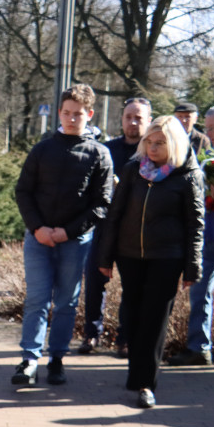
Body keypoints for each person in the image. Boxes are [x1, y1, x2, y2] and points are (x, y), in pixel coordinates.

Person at [97, 116, 205, 408]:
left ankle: (146, 383)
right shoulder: (133, 170)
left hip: (167, 258)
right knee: (132, 318)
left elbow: (196, 224)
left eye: (160, 143)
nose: (153, 148)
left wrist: (192, 267)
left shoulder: (187, 175)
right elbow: (115, 215)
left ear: (175, 144)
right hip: (130, 255)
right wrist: (105, 257)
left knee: (154, 321)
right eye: (149, 142)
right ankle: (136, 375)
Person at [11, 84, 113, 385]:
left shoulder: (99, 154)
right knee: (37, 300)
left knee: (67, 303)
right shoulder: (42, 149)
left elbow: (101, 204)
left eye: (78, 114)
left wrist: (66, 232)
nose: (71, 119)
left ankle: (56, 359)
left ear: (89, 114)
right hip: (38, 239)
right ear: (59, 113)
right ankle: (29, 360)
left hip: (75, 242)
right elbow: (23, 192)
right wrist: (39, 229)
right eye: (66, 113)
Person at [79, 96, 151, 356]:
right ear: (121, 119)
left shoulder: (151, 151)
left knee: (132, 288)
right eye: (128, 117)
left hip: (135, 231)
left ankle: (125, 338)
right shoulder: (106, 149)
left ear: (148, 121)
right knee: (95, 283)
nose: (132, 122)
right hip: (104, 226)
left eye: (138, 118)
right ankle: (91, 335)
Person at [168, 103, 214, 367]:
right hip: (211, 234)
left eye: (212, 128)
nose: (207, 133)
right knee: (200, 289)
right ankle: (199, 347)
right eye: (207, 127)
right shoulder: (210, 157)